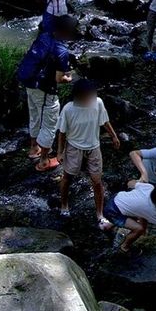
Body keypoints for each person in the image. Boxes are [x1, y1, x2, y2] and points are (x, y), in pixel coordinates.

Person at [17, 15, 78, 172]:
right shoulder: (61, 50)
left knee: (35, 115)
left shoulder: (44, 36)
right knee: (50, 122)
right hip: (44, 90)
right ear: (67, 32)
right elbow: (60, 78)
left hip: (29, 82)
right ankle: (44, 160)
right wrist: (70, 76)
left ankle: (34, 148)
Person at [56, 79, 121, 219]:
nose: (89, 98)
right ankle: (64, 205)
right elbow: (62, 132)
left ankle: (100, 214)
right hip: (74, 146)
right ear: (78, 96)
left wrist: (114, 136)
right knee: (67, 177)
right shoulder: (68, 109)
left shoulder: (98, 103)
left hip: (94, 147)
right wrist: (60, 152)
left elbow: (104, 121)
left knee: (97, 181)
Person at [99, 180, 156, 252]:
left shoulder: (149, 187)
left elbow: (131, 183)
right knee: (139, 229)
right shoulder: (153, 212)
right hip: (113, 212)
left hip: (116, 198)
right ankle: (124, 247)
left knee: (140, 211)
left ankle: (109, 226)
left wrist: (129, 184)